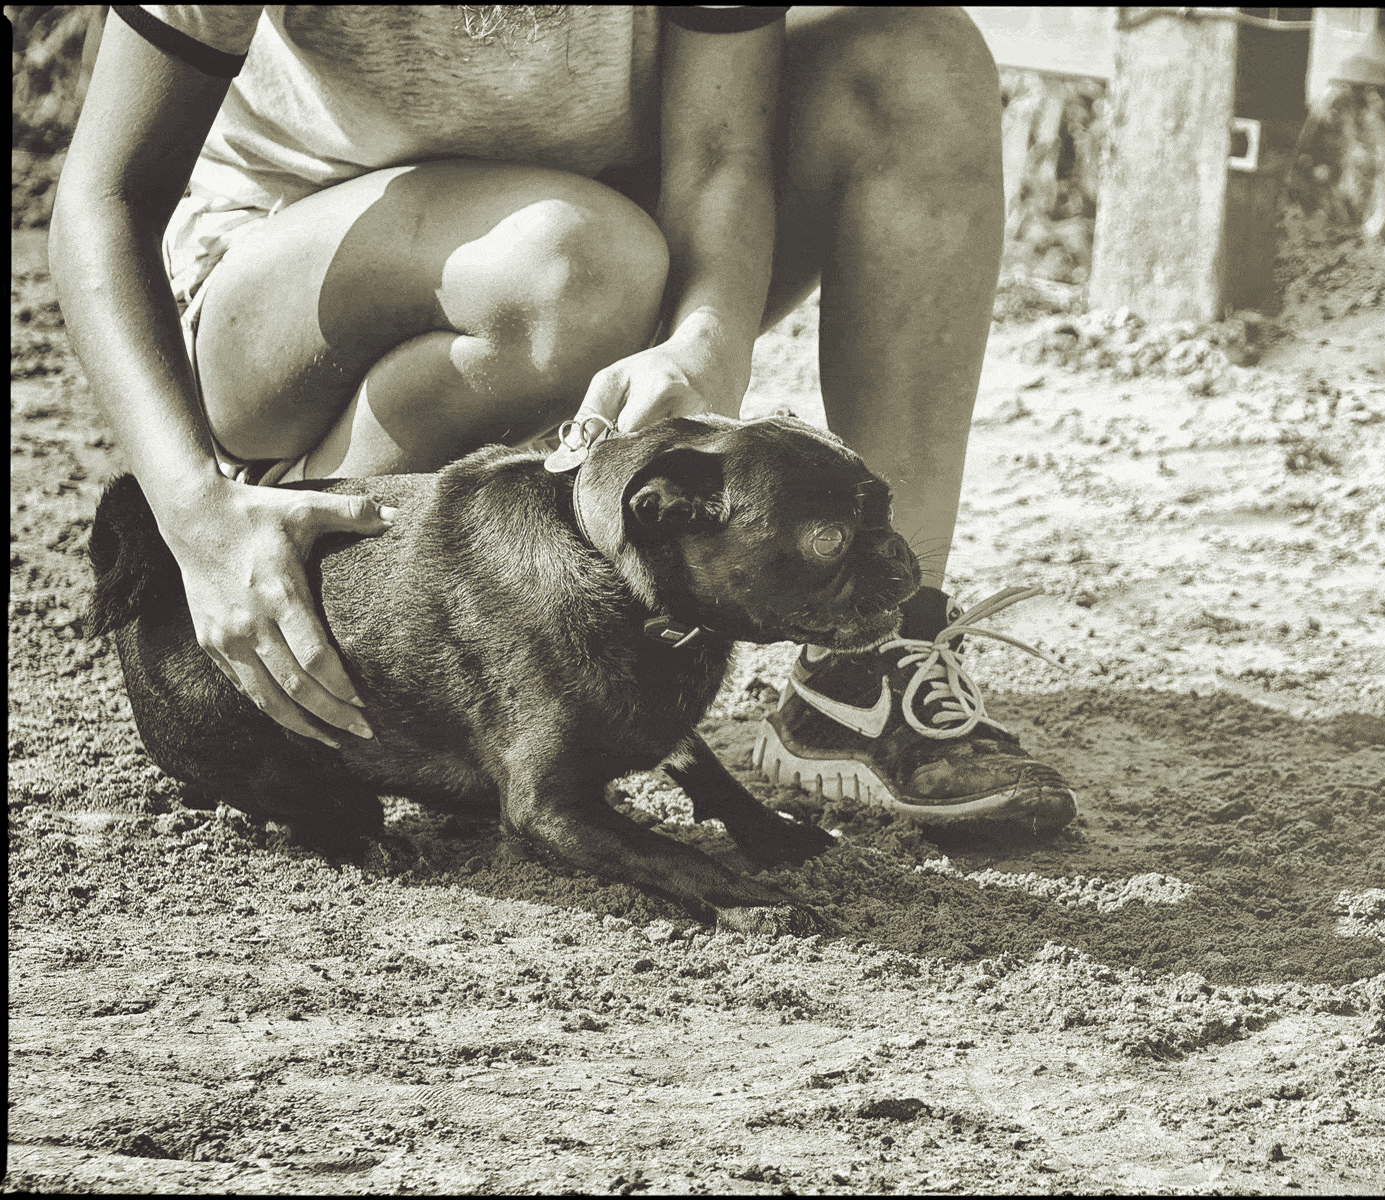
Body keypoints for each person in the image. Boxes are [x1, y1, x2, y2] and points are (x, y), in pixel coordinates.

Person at [53, 5, 1075, 838]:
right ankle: (337, 559)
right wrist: (192, 508)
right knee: (574, 261)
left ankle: (872, 669)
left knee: (918, 66)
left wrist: (703, 350)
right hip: (290, 295)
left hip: (610, 258)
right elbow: (103, 198)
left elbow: (721, 155)